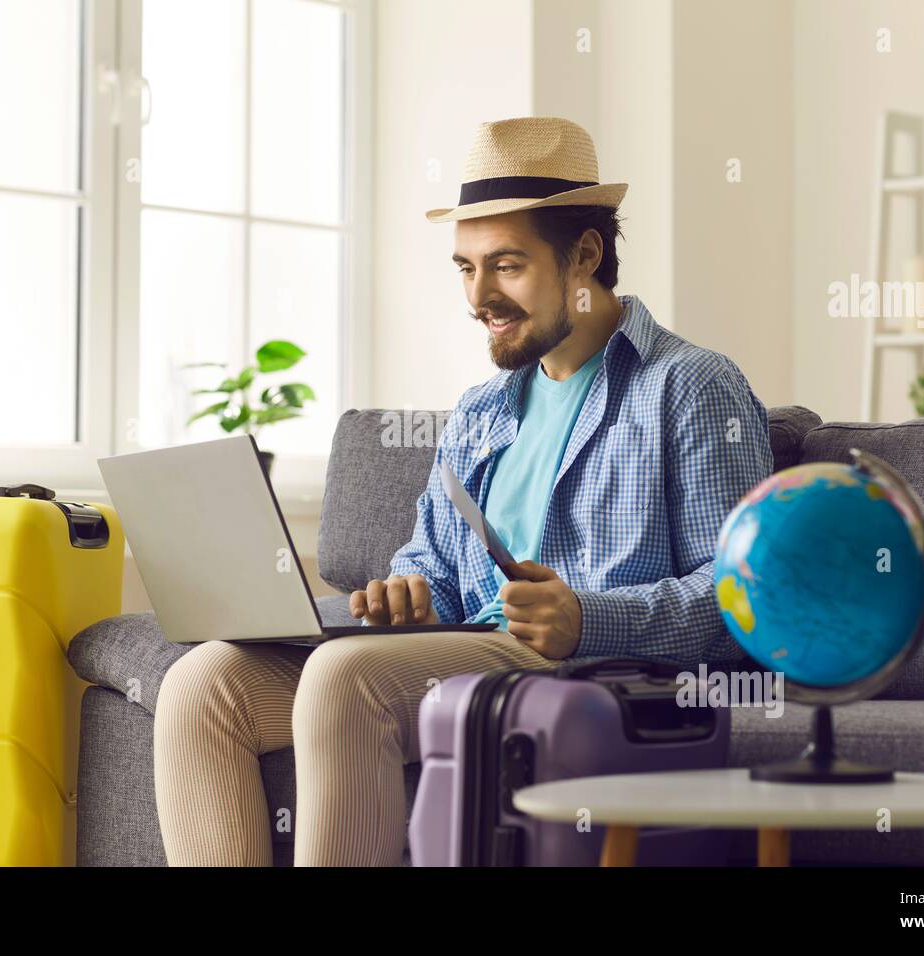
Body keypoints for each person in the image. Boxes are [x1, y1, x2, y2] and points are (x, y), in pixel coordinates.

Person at [153, 116, 773, 866]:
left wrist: (587, 618)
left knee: (349, 680)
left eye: (506, 266)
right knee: (200, 685)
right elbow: (436, 567)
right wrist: (409, 591)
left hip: (594, 670)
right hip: (469, 653)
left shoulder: (689, 386)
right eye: (465, 268)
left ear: (585, 256)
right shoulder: (482, 410)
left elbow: (740, 597)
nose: (480, 297)